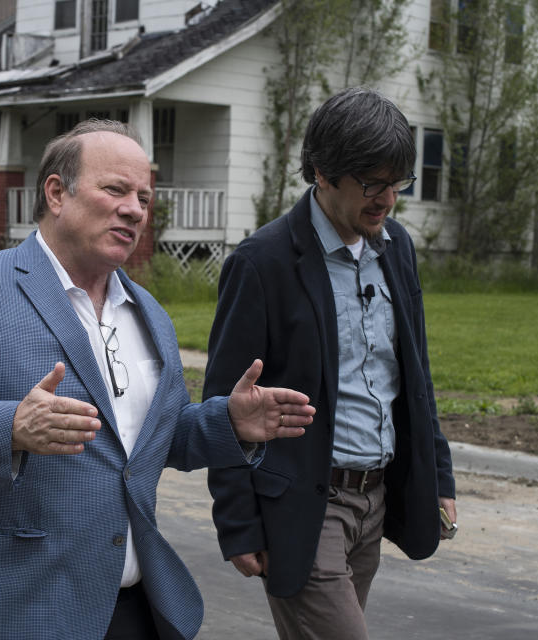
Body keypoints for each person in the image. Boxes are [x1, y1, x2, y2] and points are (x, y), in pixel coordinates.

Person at [0, 119, 316, 640]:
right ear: (57, 192)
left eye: (144, 198)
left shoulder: (149, 313)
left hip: (131, 604)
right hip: (12, 606)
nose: (134, 208)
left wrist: (227, 422)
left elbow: (148, 442)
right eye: (115, 189)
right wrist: (11, 426)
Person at [203, 87, 458, 640]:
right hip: (304, 506)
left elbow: (415, 376)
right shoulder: (262, 263)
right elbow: (224, 403)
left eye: (397, 183)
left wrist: (437, 475)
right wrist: (238, 523)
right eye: (372, 182)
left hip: (377, 498)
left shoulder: (397, 248)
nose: (387, 199)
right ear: (321, 171)